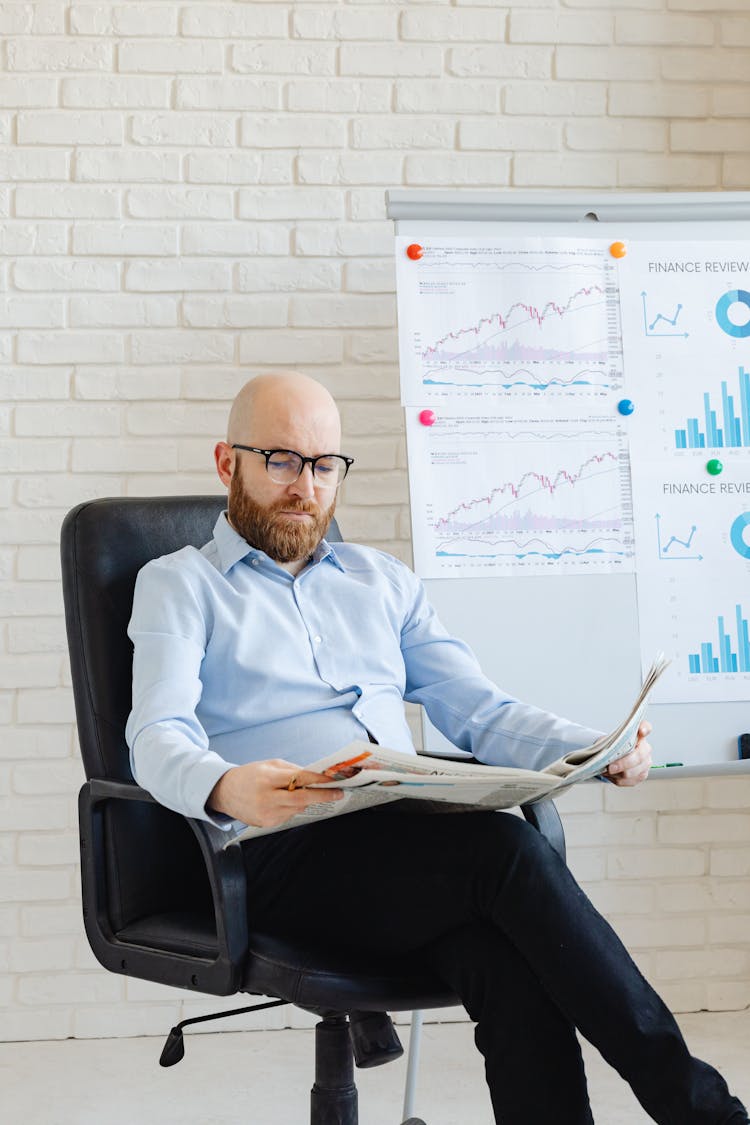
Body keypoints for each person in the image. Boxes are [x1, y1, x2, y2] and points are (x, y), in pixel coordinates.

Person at [126, 372, 748, 1125]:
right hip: (279, 855)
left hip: (401, 851)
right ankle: (702, 1110)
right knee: (503, 850)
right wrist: (228, 785)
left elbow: (478, 709)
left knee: (505, 960)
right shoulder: (180, 585)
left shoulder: (380, 581)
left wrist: (594, 748)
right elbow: (153, 735)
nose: (306, 486)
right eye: (282, 460)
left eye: (325, 465)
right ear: (229, 463)